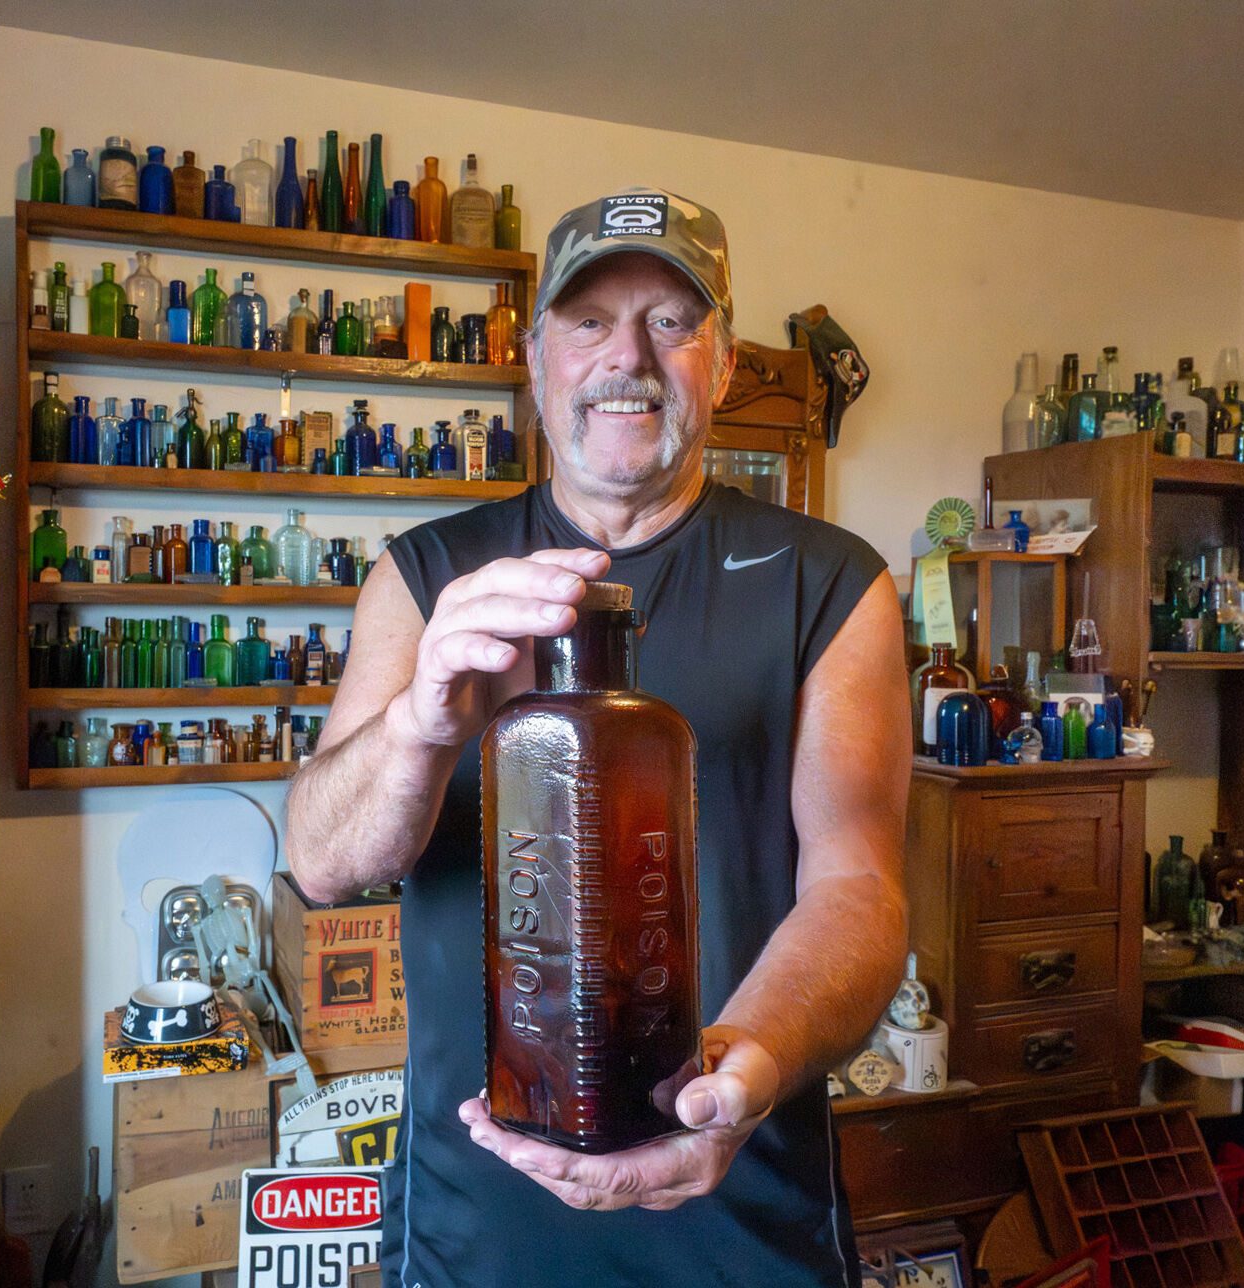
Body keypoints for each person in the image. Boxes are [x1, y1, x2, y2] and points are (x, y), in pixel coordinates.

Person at [285, 188, 910, 1287]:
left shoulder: (829, 582)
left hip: (744, 1207)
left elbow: (858, 888)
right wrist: (422, 720)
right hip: (482, 1216)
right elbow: (324, 863)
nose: (628, 355)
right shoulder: (428, 576)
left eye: (671, 321)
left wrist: (744, 1075)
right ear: (536, 362)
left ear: (722, 366)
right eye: (589, 321)